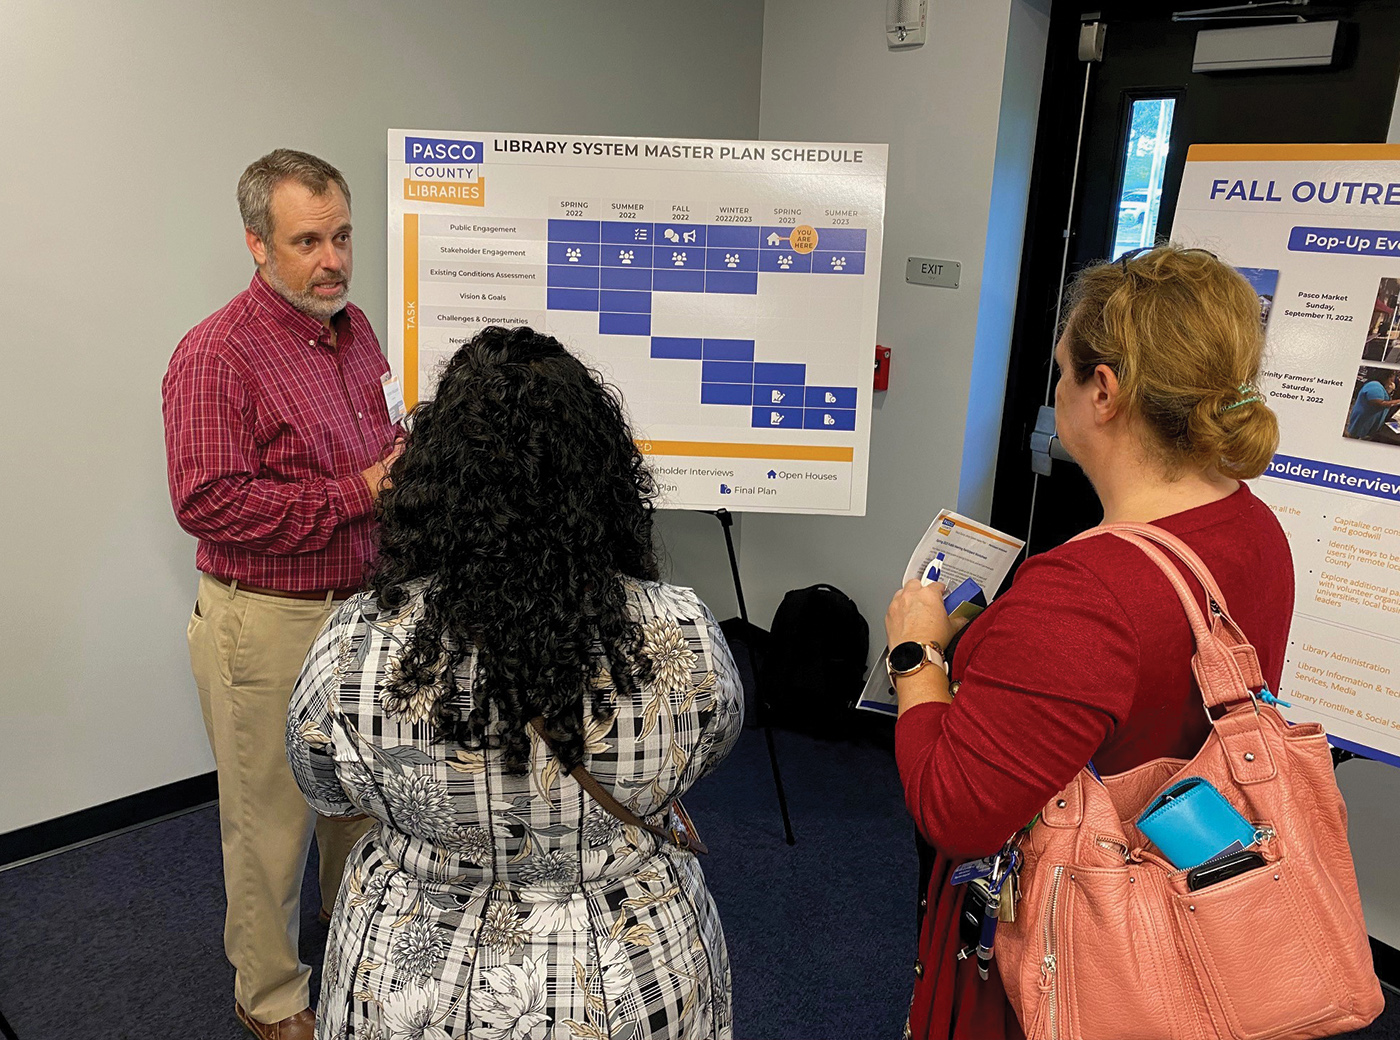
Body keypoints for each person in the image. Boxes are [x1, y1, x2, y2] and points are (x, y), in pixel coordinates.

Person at [287, 326, 744, 1040]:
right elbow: (711, 746)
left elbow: (322, 785)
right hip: (629, 983)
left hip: (410, 988)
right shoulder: (681, 631)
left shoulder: (357, 641)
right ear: (601, 476)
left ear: (436, 476)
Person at [884, 246, 1294, 1040]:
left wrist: (919, 656)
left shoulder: (1085, 591)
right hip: (1188, 895)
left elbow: (954, 810)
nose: (1059, 389)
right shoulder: (1252, 524)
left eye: (1062, 370)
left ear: (1103, 390)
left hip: (1072, 942)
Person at [163, 149, 403, 1040]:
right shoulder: (216, 354)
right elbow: (210, 502)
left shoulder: (354, 327)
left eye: (341, 235)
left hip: (362, 612)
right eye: (309, 241)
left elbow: (377, 437)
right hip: (267, 620)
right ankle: (267, 997)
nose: (332, 258)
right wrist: (365, 492)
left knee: (356, 795)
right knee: (270, 824)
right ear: (258, 244)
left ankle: (347, 937)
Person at [1344, 368, 1400, 439]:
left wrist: (1390, 390)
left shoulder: (1381, 385)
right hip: (1364, 418)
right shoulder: (1374, 386)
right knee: (1355, 436)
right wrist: (1398, 401)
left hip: (1371, 417)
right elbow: (1380, 403)